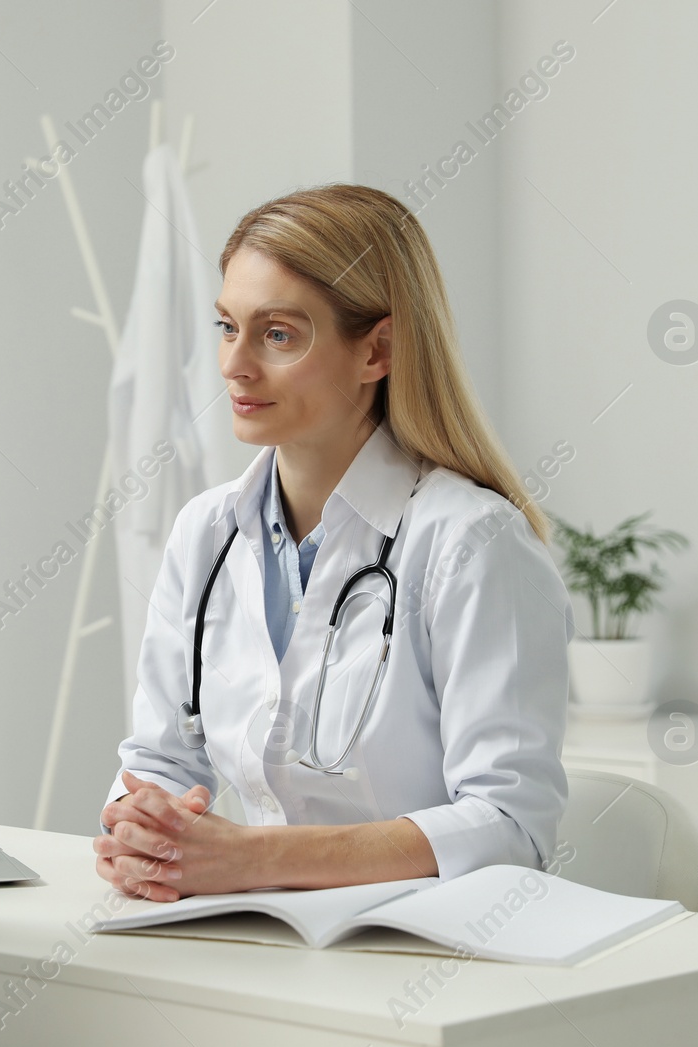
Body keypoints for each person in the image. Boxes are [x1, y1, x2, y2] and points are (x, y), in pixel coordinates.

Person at [95, 185, 573, 902]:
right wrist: (143, 827)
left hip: (422, 956)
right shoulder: (206, 534)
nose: (234, 364)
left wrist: (252, 858)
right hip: (258, 934)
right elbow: (159, 758)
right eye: (227, 326)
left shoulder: (472, 542)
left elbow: (510, 825)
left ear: (376, 349)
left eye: (278, 334)